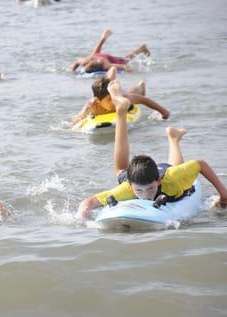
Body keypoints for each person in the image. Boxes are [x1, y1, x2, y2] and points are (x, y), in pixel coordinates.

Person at [77, 80, 227, 219]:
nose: (146, 196)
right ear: (130, 186)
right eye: (139, 191)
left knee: (174, 169)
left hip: (165, 171)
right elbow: (88, 202)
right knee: (121, 170)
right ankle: (122, 113)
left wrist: (223, 195)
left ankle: (171, 137)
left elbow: (200, 164)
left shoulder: (172, 178)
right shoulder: (126, 190)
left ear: (159, 180)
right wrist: (83, 218)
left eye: (150, 189)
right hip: (137, 175)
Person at [71, 66, 170, 128]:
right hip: (110, 92)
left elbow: (143, 100)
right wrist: (73, 127)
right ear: (98, 101)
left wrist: (163, 113)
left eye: (114, 98)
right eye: (110, 99)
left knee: (134, 93)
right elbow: (79, 118)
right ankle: (111, 75)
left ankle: (141, 86)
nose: (114, 101)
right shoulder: (92, 105)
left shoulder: (121, 99)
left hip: (121, 94)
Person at [69, 29, 150, 74]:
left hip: (104, 58)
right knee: (95, 53)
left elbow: (123, 66)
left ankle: (141, 48)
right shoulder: (84, 61)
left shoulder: (106, 65)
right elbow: (76, 62)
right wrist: (72, 70)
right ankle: (103, 38)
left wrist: (132, 72)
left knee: (124, 61)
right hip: (96, 56)